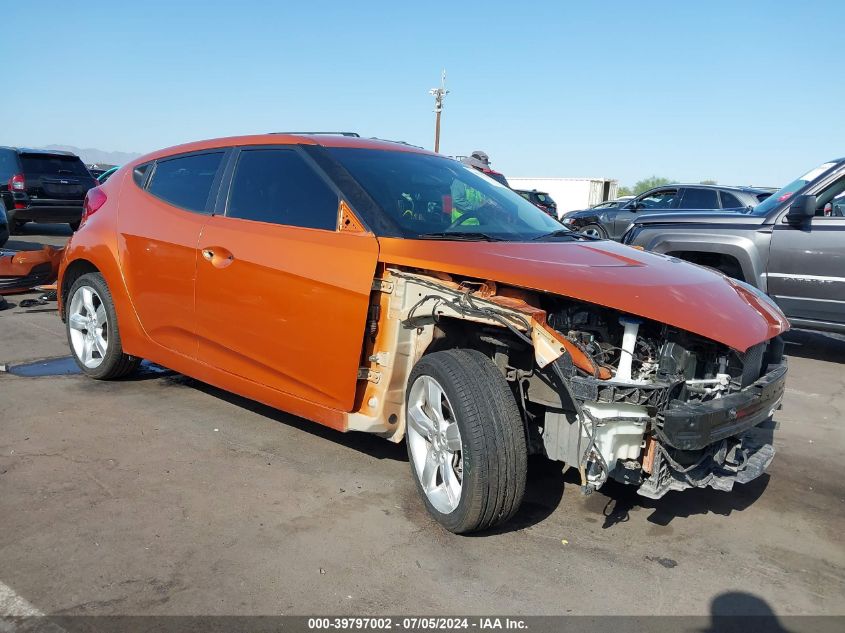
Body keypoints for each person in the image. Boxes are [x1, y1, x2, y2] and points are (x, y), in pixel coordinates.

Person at [450, 151, 491, 224]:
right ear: (472, 167)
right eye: (479, 168)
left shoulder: (480, 182)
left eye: (482, 169)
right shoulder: (460, 181)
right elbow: (457, 199)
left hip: (479, 224)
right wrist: (476, 208)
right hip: (461, 224)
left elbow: (485, 198)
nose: (481, 171)